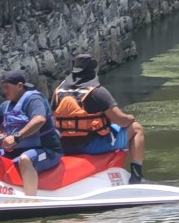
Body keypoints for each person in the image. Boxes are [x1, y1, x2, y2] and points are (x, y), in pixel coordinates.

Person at [51, 54, 147, 184]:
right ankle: (137, 176)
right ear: (92, 71)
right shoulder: (97, 92)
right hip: (89, 145)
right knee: (136, 128)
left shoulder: (58, 93)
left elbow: (52, 120)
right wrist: (131, 117)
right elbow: (122, 121)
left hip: (64, 145)